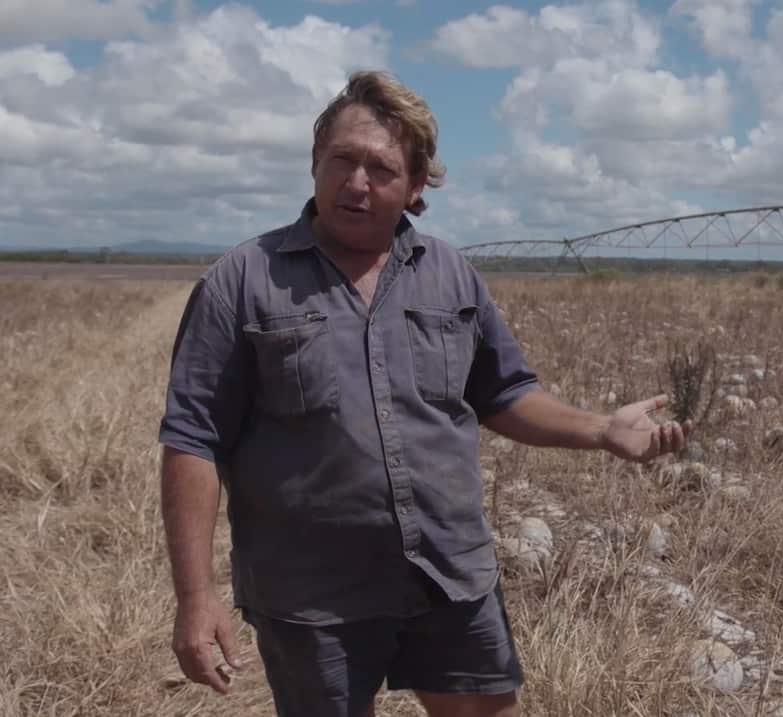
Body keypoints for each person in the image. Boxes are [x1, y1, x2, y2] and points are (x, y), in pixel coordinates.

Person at [158, 70, 690, 717]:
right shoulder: (244, 279)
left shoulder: (449, 274)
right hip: (311, 594)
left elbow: (505, 392)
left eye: (380, 169)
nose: (356, 183)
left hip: (448, 572)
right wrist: (195, 596)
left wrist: (601, 429)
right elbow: (193, 439)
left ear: (414, 188)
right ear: (315, 164)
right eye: (341, 161)